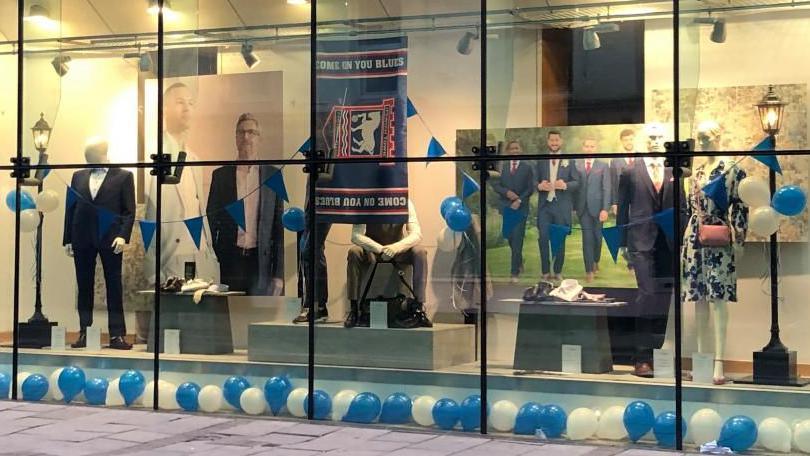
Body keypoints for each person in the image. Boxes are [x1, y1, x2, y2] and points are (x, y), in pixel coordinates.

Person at [142, 82, 219, 343]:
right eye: (179, 102)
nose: (187, 108)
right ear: (164, 108)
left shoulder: (195, 159)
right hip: (168, 252)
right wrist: (153, 269)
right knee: (169, 331)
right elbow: (149, 217)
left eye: (191, 103)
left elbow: (198, 206)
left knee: (199, 331)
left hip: (197, 248)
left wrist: (209, 248)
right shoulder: (153, 154)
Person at [617, 124, 686, 377]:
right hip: (641, 241)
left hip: (668, 242)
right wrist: (623, 242)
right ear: (643, 141)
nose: (656, 141)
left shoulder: (673, 169)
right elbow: (623, 208)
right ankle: (641, 357)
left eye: (659, 137)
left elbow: (681, 205)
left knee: (665, 299)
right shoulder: (630, 170)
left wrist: (682, 239)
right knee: (646, 295)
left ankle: (660, 356)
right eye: (651, 137)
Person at [63, 139, 135, 350]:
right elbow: (71, 208)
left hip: (110, 236)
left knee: (114, 285)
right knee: (83, 285)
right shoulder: (78, 176)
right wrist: (67, 238)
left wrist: (123, 235)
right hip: (81, 235)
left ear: (102, 154)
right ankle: (84, 332)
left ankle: (117, 335)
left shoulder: (123, 176)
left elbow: (129, 211)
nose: (88, 161)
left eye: (91, 156)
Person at [207, 113, 284, 295]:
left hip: (260, 263)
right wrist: (213, 258)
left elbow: (279, 227)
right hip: (229, 261)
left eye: (251, 132)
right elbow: (210, 221)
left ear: (259, 138)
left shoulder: (273, 176)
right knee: (231, 317)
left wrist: (278, 274)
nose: (246, 137)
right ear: (235, 137)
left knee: (258, 318)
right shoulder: (220, 176)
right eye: (241, 132)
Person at [344, 200, 430, 328]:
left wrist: (396, 247)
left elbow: (416, 234)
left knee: (420, 253)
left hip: (397, 249)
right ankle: (354, 308)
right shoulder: (365, 201)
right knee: (354, 252)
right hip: (372, 250)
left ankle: (419, 308)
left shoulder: (404, 201)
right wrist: (378, 248)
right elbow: (356, 235)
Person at [535, 130, 580, 281]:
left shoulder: (570, 161)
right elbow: (533, 181)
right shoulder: (541, 161)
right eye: (551, 140)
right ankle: (545, 271)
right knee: (543, 238)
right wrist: (539, 186)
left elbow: (577, 182)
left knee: (560, 239)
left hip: (562, 207)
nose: (554, 143)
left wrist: (565, 185)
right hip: (545, 206)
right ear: (548, 142)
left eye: (557, 140)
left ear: (561, 142)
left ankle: (558, 271)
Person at [490, 140, 534, 283]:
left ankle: (514, 274)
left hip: (521, 208)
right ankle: (520, 260)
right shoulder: (502, 167)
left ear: (520, 149)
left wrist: (519, 200)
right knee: (509, 237)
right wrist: (507, 192)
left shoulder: (527, 167)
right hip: (506, 207)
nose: (515, 151)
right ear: (508, 151)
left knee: (517, 240)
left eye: (517, 148)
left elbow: (530, 188)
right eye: (512, 148)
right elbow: (495, 184)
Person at [574, 138, 611, 282]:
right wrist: (573, 207)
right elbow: (574, 189)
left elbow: (607, 188)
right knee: (587, 239)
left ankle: (596, 260)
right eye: (587, 146)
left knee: (597, 238)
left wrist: (605, 209)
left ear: (596, 148)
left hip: (598, 208)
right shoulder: (576, 165)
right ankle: (588, 270)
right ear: (583, 147)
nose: (589, 148)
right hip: (583, 208)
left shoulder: (603, 165)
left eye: (592, 146)